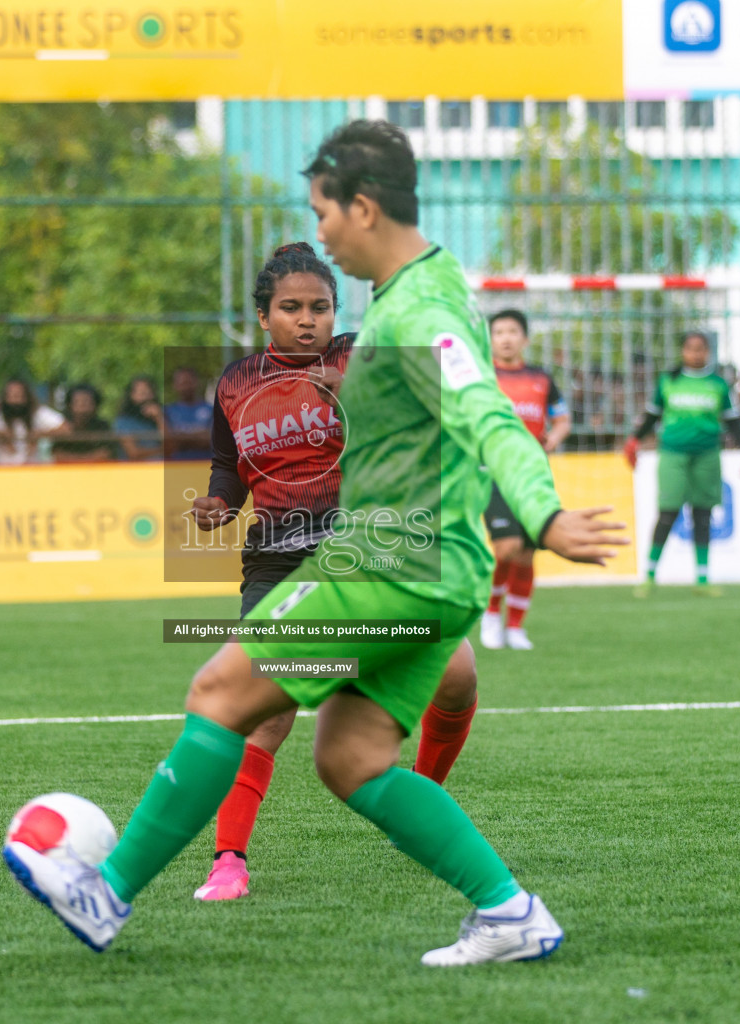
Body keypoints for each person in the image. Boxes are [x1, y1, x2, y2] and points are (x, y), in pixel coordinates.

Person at [4, 119, 627, 965]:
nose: (322, 232)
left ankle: (104, 894)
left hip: (394, 563)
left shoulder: (421, 309)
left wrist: (545, 516)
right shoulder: (422, 288)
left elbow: (485, 410)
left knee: (221, 689)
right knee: (353, 757)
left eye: (324, 213)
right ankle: (509, 911)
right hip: (434, 568)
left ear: (362, 208)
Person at [188, 241, 482, 902]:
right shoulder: (235, 384)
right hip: (278, 564)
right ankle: (228, 859)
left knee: (457, 676)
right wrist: (216, 505)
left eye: (319, 306)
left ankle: (420, 811)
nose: (307, 320)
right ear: (263, 316)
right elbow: (229, 470)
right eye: (290, 308)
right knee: (266, 713)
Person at [625, 331, 740, 596]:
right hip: (673, 454)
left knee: (703, 514)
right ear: (683, 351)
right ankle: (649, 575)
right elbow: (652, 415)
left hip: (707, 454)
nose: (696, 353)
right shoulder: (669, 381)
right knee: (668, 512)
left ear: (707, 352)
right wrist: (634, 441)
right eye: (690, 348)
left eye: (701, 349)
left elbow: (732, 421)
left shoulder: (718, 384)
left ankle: (702, 579)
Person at [480, 308, 571, 650]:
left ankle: (516, 627)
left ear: (524, 339)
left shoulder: (542, 379)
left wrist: (554, 438)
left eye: (512, 331)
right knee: (506, 547)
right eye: (499, 331)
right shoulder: (482, 377)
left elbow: (562, 419)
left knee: (526, 555)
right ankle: (491, 615)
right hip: (492, 472)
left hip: (532, 474)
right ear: (490, 339)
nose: (506, 338)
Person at [0, 378, 66, 465]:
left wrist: (39, 435)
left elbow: (65, 428)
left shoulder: (37, 412)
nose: (15, 400)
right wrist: (1, 435)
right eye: (11, 395)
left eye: (19, 395)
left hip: (31, 473)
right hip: (1, 473)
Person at [51, 384, 117, 462]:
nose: (82, 407)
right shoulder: (63, 427)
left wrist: (78, 460)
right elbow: (58, 455)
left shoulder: (102, 426)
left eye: (86, 402)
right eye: (77, 402)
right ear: (69, 405)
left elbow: (105, 454)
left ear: (95, 405)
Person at [163, 367, 214, 461]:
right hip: (177, 465)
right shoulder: (167, 411)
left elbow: (210, 439)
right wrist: (198, 436)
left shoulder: (211, 410)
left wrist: (180, 437)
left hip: (206, 464)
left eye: (189, 382)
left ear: (197, 383)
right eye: (182, 383)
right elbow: (169, 442)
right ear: (175, 385)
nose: (186, 387)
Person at [114, 376, 164, 461]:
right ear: (131, 396)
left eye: (149, 393)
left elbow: (170, 444)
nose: (146, 398)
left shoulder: (160, 416)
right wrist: (161, 450)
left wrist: (159, 418)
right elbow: (134, 454)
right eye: (142, 393)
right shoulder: (123, 422)